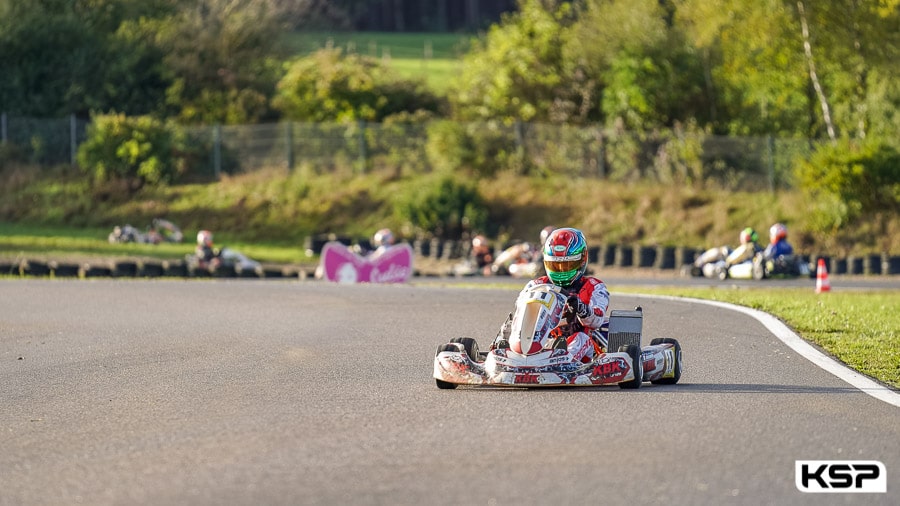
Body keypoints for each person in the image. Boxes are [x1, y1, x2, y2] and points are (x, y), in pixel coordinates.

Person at [495, 227, 610, 363]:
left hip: (579, 349)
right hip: (543, 343)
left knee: (581, 338)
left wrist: (581, 308)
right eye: (555, 266)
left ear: (582, 260)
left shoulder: (595, 287)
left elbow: (597, 321)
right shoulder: (535, 285)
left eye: (567, 265)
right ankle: (505, 353)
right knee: (509, 325)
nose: (561, 271)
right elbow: (520, 310)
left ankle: (564, 363)